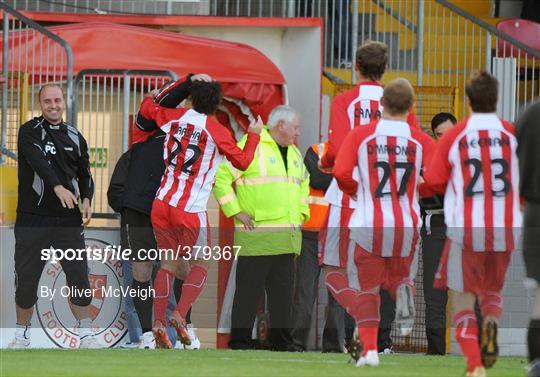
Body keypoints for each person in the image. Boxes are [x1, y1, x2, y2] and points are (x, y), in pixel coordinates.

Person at [136, 75, 262, 348]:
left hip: (162, 203)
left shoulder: (173, 116)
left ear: (191, 98)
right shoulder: (216, 130)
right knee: (203, 262)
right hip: (190, 208)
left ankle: (158, 322)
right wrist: (253, 135)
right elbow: (242, 162)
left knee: (168, 263)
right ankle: (180, 315)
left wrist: (151, 96)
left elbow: (147, 110)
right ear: (216, 103)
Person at [318, 40, 417, 358]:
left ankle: (363, 322)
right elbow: (416, 147)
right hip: (391, 201)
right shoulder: (400, 103)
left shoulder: (345, 100)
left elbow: (336, 152)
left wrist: (326, 162)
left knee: (334, 270)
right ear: (385, 70)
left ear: (356, 67)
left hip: (349, 198)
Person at [424, 71, 522, 377]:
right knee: (491, 290)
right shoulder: (511, 133)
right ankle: (491, 325)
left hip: (467, 226)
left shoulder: (456, 135)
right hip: (505, 226)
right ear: (495, 99)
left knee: (464, 297)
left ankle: (475, 365)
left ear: (468, 101)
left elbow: (435, 181)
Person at [333, 78, 435, 367]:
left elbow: (341, 172)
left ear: (381, 105)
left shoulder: (362, 135)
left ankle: (369, 351)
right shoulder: (421, 139)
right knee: (400, 277)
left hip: (369, 220)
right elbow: (439, 177)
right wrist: (418, 189)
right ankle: (404, 290)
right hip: (406, 221)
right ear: (411, 106)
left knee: (369, 288)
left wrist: (358, 190)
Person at [108, 76, 208, 349]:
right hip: (140, 209)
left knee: (183, 270)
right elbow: (158, 103)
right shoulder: (145, 127)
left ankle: (186, 328)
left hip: (171, 208)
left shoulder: (192, 132)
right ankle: (148, 336)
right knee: (140, 271)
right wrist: (189, 82)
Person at [8, 84, 99, 349]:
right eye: (47, 101)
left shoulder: (75, 135)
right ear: (40, 104)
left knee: (79, 277)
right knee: (26, 282)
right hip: (32, 218)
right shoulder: (28, 131)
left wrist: (86, 199)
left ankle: (85, 335)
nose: (53, 105)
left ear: (64, 103)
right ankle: (21, 337)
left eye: (57, 100)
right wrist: (57, 186)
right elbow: (39, 163)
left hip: (68, 221)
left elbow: (85, 174)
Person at [214, 105, 310, 351]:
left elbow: (303, 185)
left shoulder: (295, 153)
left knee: (282, 299)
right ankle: (240, 343)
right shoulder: (251, 144)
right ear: (281, 126)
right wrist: (235, 211)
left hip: (286, 240)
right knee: (247, 294)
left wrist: (301, 213)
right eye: (296, 127)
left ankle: (282, 344)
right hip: (256, 238)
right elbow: (221, 178)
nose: (298, 132)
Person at [289, 142, 355, 353]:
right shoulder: (317, 150)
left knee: (337, 293)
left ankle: (333, 346)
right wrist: (345, 179)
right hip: (313, 231)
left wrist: (334, 178)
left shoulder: (358, 151)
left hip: (338, 232)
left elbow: (325, 180)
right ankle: (297, 344)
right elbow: (316, 179)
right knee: (305, 292)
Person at [421, 112, 457, 355]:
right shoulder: (428, 158)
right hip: (436, 225)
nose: (444, 140)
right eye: (439, 135)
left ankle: (476, 351)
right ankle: (436, 353)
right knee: (434, 293)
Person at [515, 100, 540, 377]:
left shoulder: (530, 114)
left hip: (536, 210)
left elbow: (517, 168)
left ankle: (536, 366)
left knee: (539, 298)